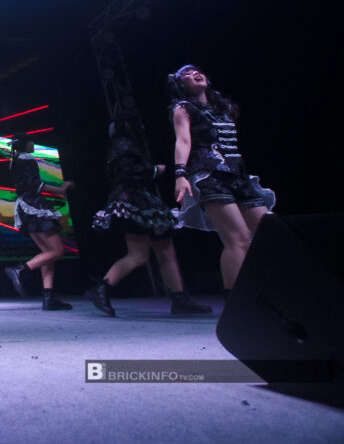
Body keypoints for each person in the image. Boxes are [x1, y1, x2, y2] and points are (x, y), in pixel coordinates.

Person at [85, 113, 211, 316]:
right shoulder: (123, 144)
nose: (141, 126)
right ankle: (102, 288)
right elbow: (127, 171)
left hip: (141, 197)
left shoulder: (126, 144)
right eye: (136, 123)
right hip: (132, 198)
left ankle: (179, 298)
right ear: (126, 125)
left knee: (165, 250)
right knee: (139, 254)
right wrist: (154, 170)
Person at [167, 65, 275, 296]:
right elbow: (183, 141)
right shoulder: (183, 108)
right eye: (186, 74)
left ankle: (265, 290)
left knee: (268, 232)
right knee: (238, 238)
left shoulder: (221, 109)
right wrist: (180, 174)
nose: (194, 73)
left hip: (238, 175)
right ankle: (235, 299)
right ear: (180, 85)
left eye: (196, 70)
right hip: (210, 175)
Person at [2, 134, 75, 310]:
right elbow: (36, 185)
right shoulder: (27, 159)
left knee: (47, 253)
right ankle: (21, 269)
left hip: (24, 205)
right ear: (26, 144)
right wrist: (61, 189)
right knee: (57, 250)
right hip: (34, 204)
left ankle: (48, 297)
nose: (33, 143)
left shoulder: (15, 161)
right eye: (31, 140)